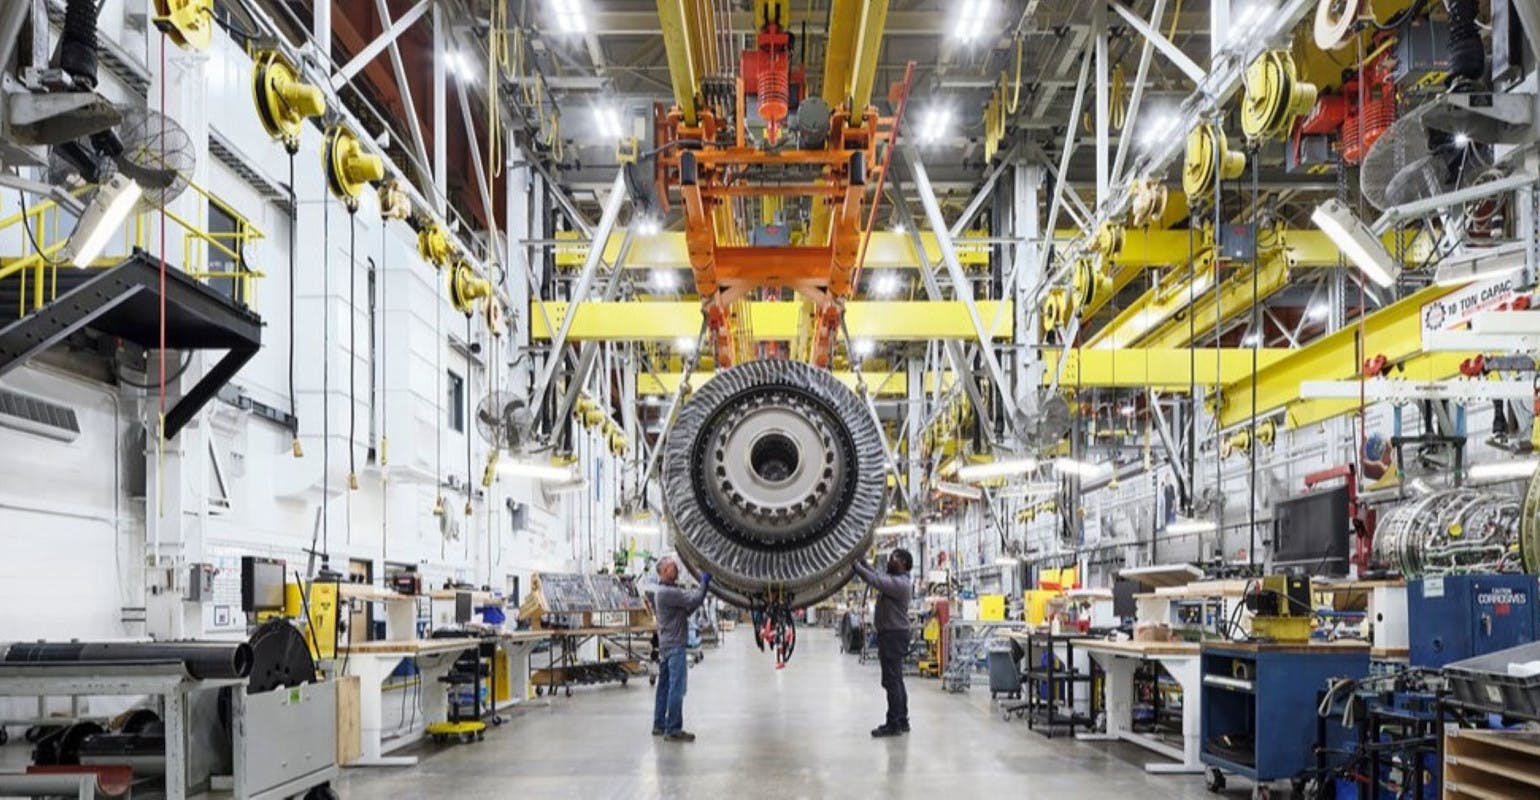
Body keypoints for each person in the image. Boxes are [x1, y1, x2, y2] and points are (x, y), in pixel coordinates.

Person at [851, 548, 913, 737]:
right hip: (894, 634)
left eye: (894, 558)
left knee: (891, 681)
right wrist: (861, 561)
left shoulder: (900, 584)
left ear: (903, 563)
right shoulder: (898, 581)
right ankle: (902, 720)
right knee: (897, 680)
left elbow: (875, 580)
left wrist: (853, 566)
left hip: (893, 636)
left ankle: (893, 723)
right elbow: (877, 574)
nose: (890, 560)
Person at [652, 556, 710, 742]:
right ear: (662, 572)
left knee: (664, 687)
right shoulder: (669, 593)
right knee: (677, 689)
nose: (676, 569)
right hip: (675, 647)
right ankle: (673, 729)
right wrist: (705, 582)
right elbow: (696, 598)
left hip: (666, 646)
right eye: (672, 567)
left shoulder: (663, 592)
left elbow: (685, 611)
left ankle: (659, 724)